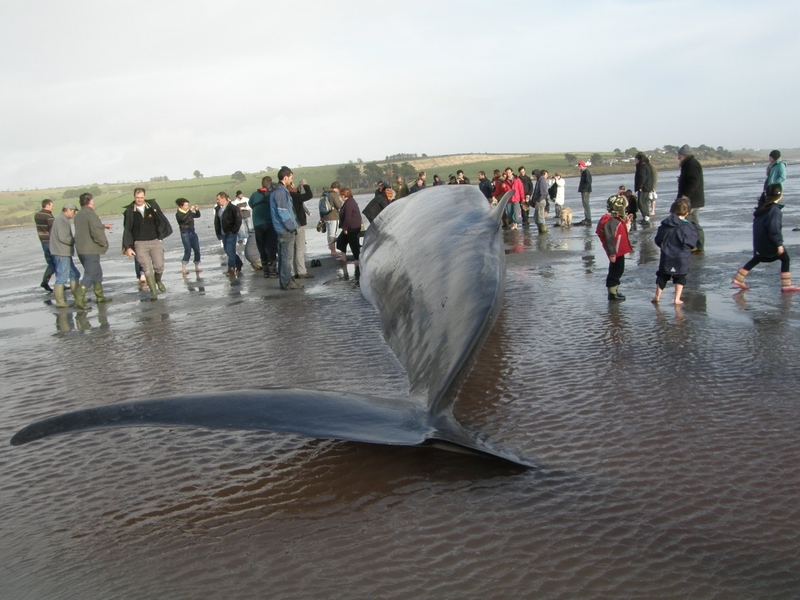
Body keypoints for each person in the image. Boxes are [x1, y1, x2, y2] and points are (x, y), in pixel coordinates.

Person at [731, 184, 800, 293]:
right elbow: (774, 228)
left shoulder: (763, 207)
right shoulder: (774, 210)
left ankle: (738, 279)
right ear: (780, 195)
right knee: (784, 258)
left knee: (757, 258)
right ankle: (786, 285)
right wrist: (778, 244)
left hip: (760, 242)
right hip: (769, 242)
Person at [122, 187, 172, 299]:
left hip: (155, 241)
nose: (139, 200)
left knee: (159, 266)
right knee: (147, 270)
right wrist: (128, 247)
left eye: (141, 197)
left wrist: (160, 236)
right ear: (134, 197)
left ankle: (158, 280)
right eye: (137, 197)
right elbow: (127, 230)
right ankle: (153, 293)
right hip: (139, 244)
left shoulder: (152, 207)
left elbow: (161, 221)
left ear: (145, 196)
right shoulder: (129, 211)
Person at [653, 199, 698, 305]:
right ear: (686, 213)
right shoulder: (688, 226)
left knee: (662, 275)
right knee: (680, 276)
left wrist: (664, 246)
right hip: (681, 256)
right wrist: (689, 248)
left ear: (671, 211)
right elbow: (691, 242)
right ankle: (676, 299)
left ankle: (657, 296)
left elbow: (658, 239)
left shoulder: (664, 225)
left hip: (666, 255)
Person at [73, 192, 112, 309]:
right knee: (90, 274)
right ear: (90, 201)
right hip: (90, 249)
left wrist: (103, 226)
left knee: (97, 272)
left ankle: (99, 296)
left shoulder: (78, 215)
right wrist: (103, 243)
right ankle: (79, 298)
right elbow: (95, 231)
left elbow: (87, 228)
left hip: (81, 249)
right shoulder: (91, 214)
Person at [270, 166, 302, 291]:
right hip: (285, 229)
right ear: (285, 177)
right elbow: (283, 211)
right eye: (290, 177)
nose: (291, 180)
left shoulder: (278, 191)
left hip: (281, 228)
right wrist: (292, 226)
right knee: (286, 257)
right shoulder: (280, 192)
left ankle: (286, 280)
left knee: (284, 256)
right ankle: (287, 282)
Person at [596, 195, 632, 301]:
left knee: (619, 269)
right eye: (624, 208)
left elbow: (621, 231)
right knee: (616, 270)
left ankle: (614, 290)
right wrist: (611, 253)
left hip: (618, 249)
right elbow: (609, 238)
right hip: (615, 251)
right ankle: (612, 293)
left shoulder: (616, 220)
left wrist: (627, 222)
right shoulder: (612, 221)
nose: (625, 210)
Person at [49, 203, 82, 308]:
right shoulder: (62, 220)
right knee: (62, 277)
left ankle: (78, 297)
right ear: (67, 210)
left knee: (74, 274)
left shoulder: (60, 219)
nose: (74, 213)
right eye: (73, 211)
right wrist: (76, 240)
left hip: (61, 252)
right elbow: (63, 238)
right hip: (61, 252)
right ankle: (60, 302)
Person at [676, 144, 705, 253]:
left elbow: (694, 181)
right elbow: (691, 180)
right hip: (693, 199)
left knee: (687, 223)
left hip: (691, 200)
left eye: (679, 155)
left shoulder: (692, 165)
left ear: (684, 155)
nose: (678, 157)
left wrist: (685, 195)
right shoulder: (689, 164)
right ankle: (696, 246)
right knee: (692, 223)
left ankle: (693, 245)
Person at [249, 176, 278, 278]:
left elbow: (251, 204)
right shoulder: (272, 194)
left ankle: (265, 271)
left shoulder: (254, 195)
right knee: (271, 247)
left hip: (257, 224)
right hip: (270, 223)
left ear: (261, 184)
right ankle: (273, 271)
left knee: (261, 247)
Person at [214, 192, 244, 277]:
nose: (217, 201)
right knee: (228, 251)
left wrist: (234, 230)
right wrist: (218, 233)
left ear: (224, 199)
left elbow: (238, 220)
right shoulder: (218, 209)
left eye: (218, 199)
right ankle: (239, 263)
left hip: (231, 232)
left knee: (230, 250)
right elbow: (217, 222)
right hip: (223, 233)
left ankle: (231, 268)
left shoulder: (233, 208)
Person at [289, 179, 314, 279]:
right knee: (300, 248)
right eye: (293, 185)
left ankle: (292, 272)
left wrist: (298, 190)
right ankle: (301, 271)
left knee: (292, 249)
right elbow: (309, 195)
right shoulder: (294, 196)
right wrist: (305, 185)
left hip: (289, 224)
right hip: (299, 223)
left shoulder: (286, 197)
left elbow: (297, 198)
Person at [34, 199, 56, 292]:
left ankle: (47, 282)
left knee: (51, 262)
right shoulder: (49, 216)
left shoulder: (37, 215)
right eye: (51, 205)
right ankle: (50, 282)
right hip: (50, 242)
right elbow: (52, 231)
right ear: (47, 205)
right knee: (56, 263)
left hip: (43, 241)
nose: (52, 207)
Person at [175, 198, 202, 275]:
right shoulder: (178, 214)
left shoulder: (188, 212)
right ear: (181, 206)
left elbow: (197, 215)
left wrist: (197, 210)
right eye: (186, 205)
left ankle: (196, 267)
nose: (187, 206)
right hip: (185, 234)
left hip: (193, 233)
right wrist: (190, 210)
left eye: (188, 205)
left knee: (197, 250)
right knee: (188, 251)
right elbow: (183, 219)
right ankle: (183, 267)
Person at [338, 187, 362, 264]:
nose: (340, 197)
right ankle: (343, 257)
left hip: (352, 227)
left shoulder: (349, 203)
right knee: (341, 241)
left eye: (341, 195)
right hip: (351, 226)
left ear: (345, 196)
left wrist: (345, 228)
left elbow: (348, 217)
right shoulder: (349, 201)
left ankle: (357, 259)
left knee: (353, 243)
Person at [323, 181, 344, 256]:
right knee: (332, 234)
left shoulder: (324, 193)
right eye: (338, 189)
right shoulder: (334, 194)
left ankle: (331, 249)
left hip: (326, 216)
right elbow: (338, 206)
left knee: (329, 233)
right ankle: (333, 251)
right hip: (333, 216)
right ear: (336, 188)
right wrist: (341, 201)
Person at [634, 152, 654, 224]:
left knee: (641, 202)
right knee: (644, 202)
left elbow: (642, 177)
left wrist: (640, 186)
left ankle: (646, 217)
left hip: (643, 187)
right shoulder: (647, 165)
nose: (635, 160)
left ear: (638, 159)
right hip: (648, 186)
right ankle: (646, 217)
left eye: (635, 159)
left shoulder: (642, 166)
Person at [531, 169, 550, 233]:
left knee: (540, 218)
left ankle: (544, 232)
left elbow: (544, 193)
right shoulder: (539, 181)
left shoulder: (542, 181)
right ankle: (541, 231)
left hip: (540, 202)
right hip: (538, 202)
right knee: (536, 218)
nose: (534, 177)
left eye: (534, 176)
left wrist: (538, 200)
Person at [576, 161, 593, 226]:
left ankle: (588, 218)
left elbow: (589, 181)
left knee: (586, 204)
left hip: (585, 191)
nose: (579, 168)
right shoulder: (583, 172)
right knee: (585, 204)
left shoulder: (586, 172)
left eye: (579, 166)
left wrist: (584, 188)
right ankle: (587, 218)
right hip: (584, 190)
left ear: (582, 166)